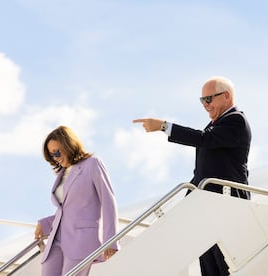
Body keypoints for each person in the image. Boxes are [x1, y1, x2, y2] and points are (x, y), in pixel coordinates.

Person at [133, 76, 251, 276]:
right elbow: (203, 170)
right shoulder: (218, 124)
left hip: (225, 201)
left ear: (226, 97)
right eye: (202, 100)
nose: (205, 105)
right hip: (207, 203)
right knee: (208, 262)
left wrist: (164, 126)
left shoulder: (235, 120)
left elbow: (203, 139)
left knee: (224, 263)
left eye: (209, 99)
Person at [34, 125, 119, 276]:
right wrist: (44, 224)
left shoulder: (92, 164)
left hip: (81, 239)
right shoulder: (62, 173)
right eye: (52, 154)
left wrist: (111, 240)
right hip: (57, 240)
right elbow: (67, 210)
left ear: (69, 145)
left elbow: (108, 201)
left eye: (58, 151)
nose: (57, 157)